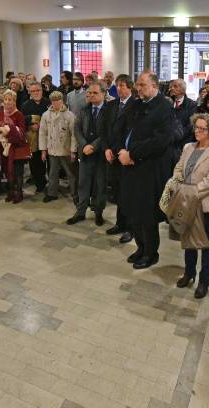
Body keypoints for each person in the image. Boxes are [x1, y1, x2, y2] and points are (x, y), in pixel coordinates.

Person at [118, 71, 174, 269]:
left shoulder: (164, 107)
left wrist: (132, 154)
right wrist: (121, 150)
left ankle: (151, 253)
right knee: (133, 211)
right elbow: (124, 129)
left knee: (147, 215)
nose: (138, 88)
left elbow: (160, 141)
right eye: (137, 85)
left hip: (148, 168)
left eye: (142, 84)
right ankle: (140, 248)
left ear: (154, 85)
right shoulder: (136, 103)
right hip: (130, 166)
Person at [172, 114, 209, 298]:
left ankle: (204, 281)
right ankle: (189, 273)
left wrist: (190, 193)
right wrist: (180, 185)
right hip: (186, 201)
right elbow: (179, 168)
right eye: (196, 127)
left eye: (201, 129)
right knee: (188, 242)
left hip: (205, 206)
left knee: (206, 245)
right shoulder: (188, 147)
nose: (197, 131)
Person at [103, 74, 139, 244]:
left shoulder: (136, 105)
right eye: (117, 85)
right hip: (113, 155)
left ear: (130, 87)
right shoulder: (111, 105)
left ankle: (131, 228)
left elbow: (134, 132)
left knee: (129, 194)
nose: (119, 88)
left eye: (123, 85)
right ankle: (120, 223)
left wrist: (126, 152)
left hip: (126, 156)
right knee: (117, 191)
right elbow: (104, 129)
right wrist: (107, 148)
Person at [66, 81, 108, 226]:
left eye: (94, 93)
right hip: (85, 154)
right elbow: (76, 129)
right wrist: (84, 145)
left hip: (101, 154)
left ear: (103, 93)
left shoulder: (109, 110)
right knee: (83, 184)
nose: (90, 95)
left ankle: (98, 213)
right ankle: (80, 212)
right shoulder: (84, 109)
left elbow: (108, 132)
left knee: (100, 185)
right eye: (89, 92)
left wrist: (93, 146)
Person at [39, 91, 77, 203]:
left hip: (66, 150)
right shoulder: (46, 115)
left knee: (71, 173)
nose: (56, 102)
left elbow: (74, 134)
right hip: (52, 150)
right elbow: (42, 133)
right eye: (53, 100)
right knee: (52, 173)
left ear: (62, 101)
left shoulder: (69, 115)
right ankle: (52, 193)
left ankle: (75, 194)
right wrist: (43, 150)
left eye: (58, 100)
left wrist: (73, 150)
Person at [0, 89, 30, 203]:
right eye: (5, 99)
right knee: (7, 171)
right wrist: (1, 130)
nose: (7, 102)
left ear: (14, 101)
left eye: (10, 100)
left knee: (17, 171)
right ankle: (11, 192)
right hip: (4, 146)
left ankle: (19, 193)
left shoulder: (19, 114)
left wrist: (9, 130)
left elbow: (22, 131)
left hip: (17, 146)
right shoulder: (0, 113)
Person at [21, 81, 51, 194]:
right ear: (29, 92)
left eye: (38, 90)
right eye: (33, 91)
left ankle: (52, 185)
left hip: (49, 138)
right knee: (35, 163)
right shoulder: (25, 105)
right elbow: (22, 120)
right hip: (34, 140)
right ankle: (40, 184)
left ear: (42, 91)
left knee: (51, 163)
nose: (36, 93)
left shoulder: (48, 103)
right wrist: (30, 125)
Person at [169, 79, 198, 151]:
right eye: (172, 86)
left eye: (175, 86)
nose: (172, 88)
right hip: (169, 142)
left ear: (182, 90)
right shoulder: (168, 102)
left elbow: (190, 125)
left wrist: (177, 135)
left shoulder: (191, 105)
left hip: (184, 143)